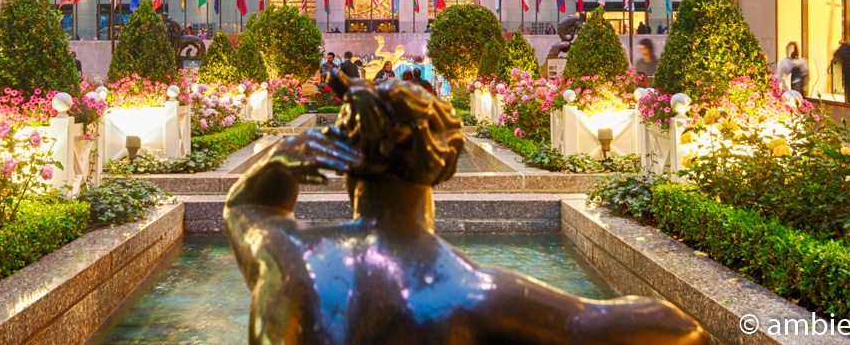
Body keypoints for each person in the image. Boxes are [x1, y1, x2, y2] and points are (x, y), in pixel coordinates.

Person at [222, 75, 706, 345]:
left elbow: (245, 206)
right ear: (442, 167)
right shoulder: (481, 295)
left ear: (349, 160)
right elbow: (679, 330)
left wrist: (284, 159)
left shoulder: (286, 257)